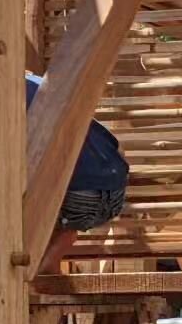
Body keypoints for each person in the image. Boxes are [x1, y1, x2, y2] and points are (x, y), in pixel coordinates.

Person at [27, 71, 129, 266]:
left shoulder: (12, 96)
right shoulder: (43, 83)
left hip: (80, 196)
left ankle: (35, 277)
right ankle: (65, 235)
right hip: (116, 190)